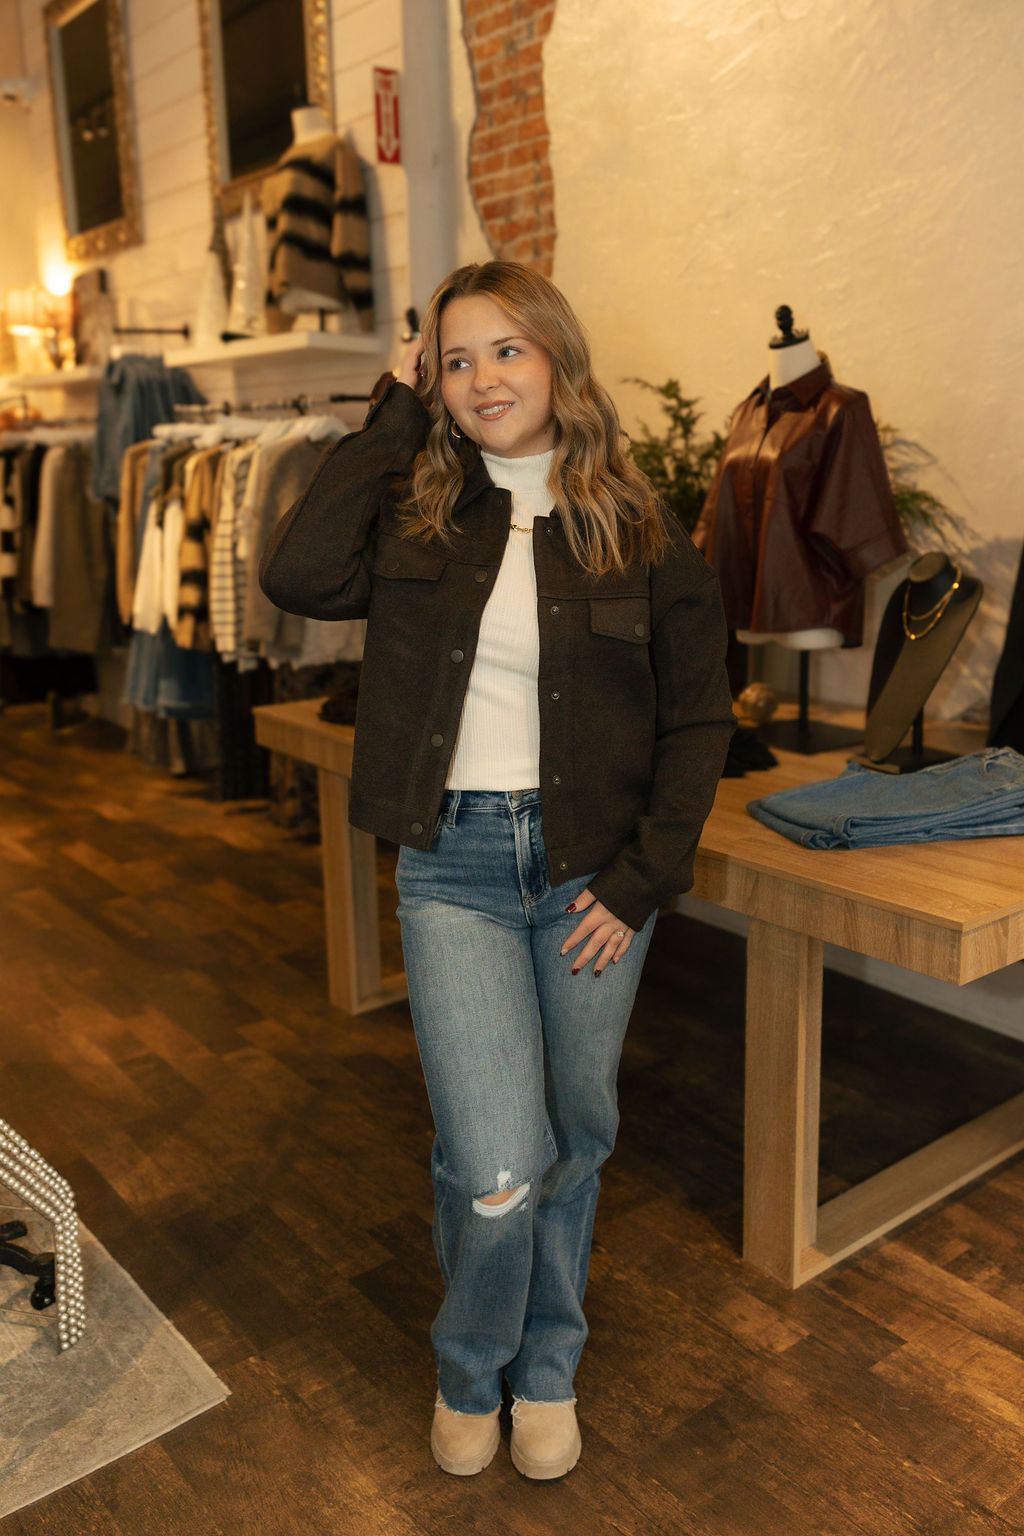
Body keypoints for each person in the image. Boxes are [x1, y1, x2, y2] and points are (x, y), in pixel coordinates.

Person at [259, 261, 734, 1481]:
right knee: (492, 1162)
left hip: (592, 878)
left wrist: (640, 883)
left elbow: (696, 720)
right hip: (453, 867)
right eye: (456, 359)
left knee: (574, 1134)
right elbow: (297, 576)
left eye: (505, 351)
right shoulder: (418, 507)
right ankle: (471, 1365)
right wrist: (392, 415)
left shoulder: (638, 527)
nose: (482, 379)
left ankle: (548, 1367)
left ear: (557, 357)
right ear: (431, 378)